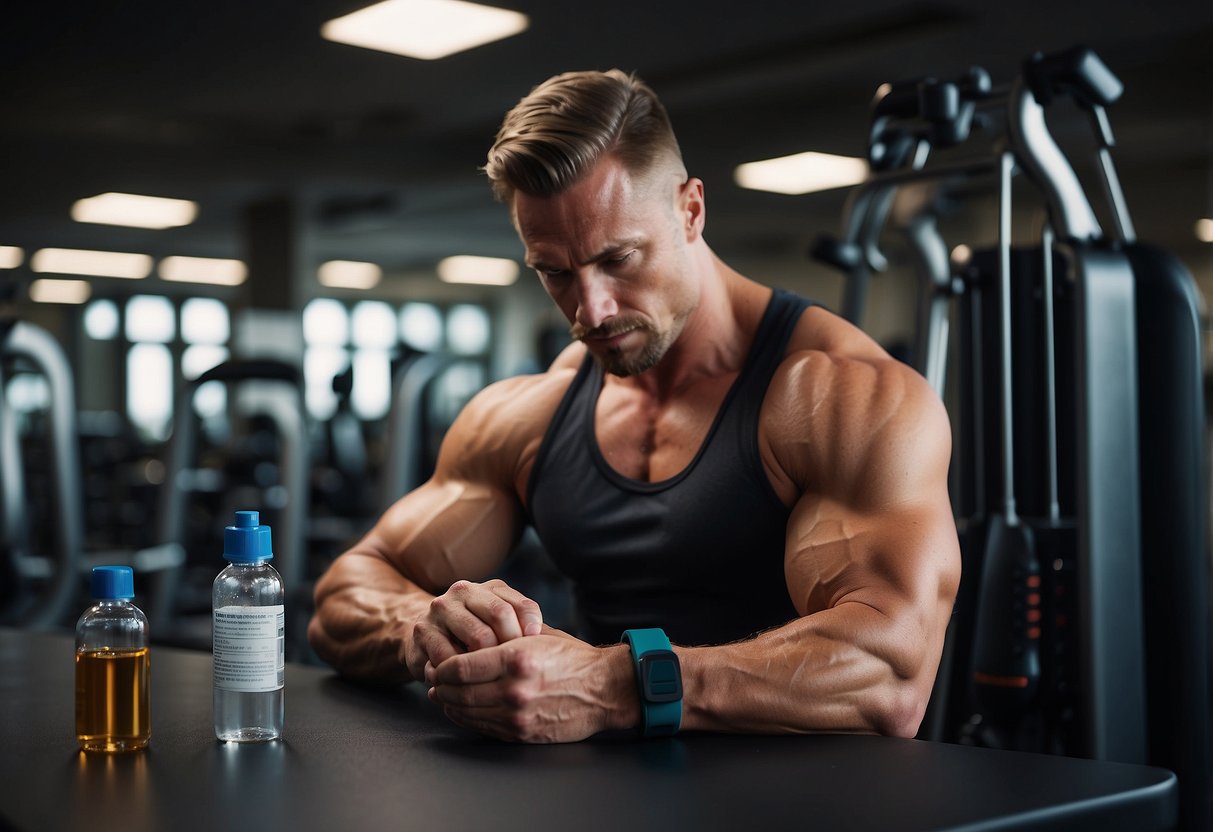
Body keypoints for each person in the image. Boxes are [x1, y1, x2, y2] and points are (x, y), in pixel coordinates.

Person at [308, 69, 961, 744]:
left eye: (617, 257)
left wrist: (610, 685)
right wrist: (420, 626)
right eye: (554, 272)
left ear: (690, 210)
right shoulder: (529, 412)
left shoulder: (844, 396)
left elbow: (891, 675)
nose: (590, 310)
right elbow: (339, 598)